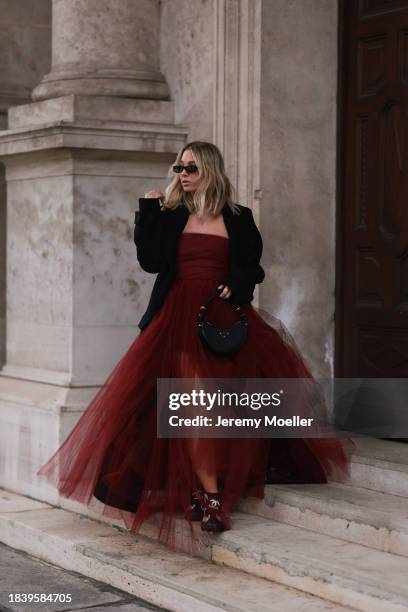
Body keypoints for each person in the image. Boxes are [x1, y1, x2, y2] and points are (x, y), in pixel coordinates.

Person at [37, 141, 355, 555]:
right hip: (177, 322)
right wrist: (146, 213)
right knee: (195, 407)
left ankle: (198, 488)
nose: (181, 174)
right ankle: (211, 497)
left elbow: (253, 266)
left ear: (208, 169)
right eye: (178, 167)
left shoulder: (240, 218)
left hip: (222, 319)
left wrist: (241, 283)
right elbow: (151, 261)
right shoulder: (170, 216)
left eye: (189, 167)